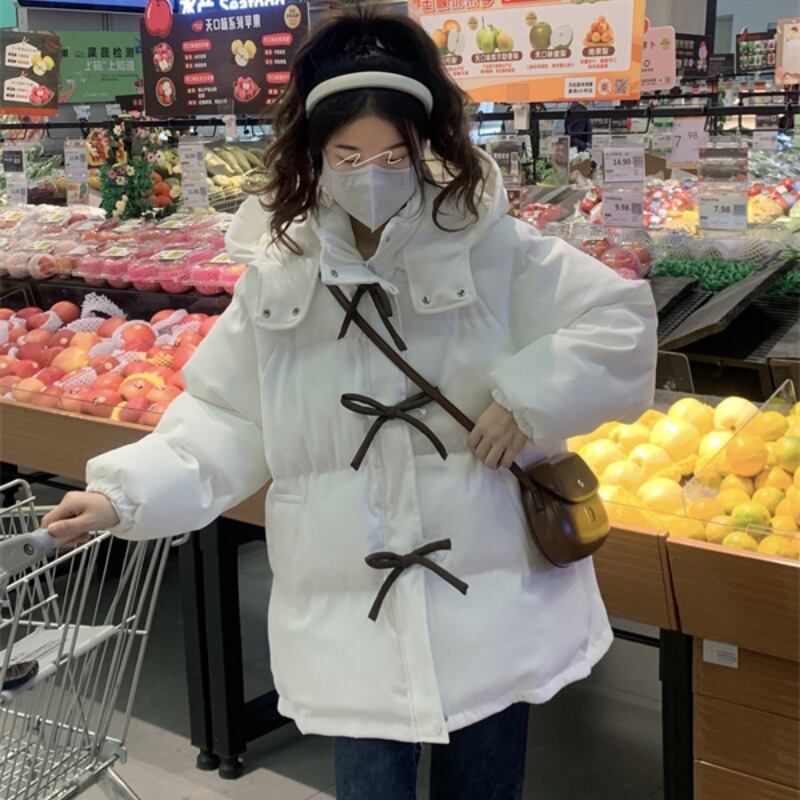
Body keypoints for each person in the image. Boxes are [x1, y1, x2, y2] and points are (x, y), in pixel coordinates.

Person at [43, 9, 657, 799]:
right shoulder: (280, 277)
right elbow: (225, 417)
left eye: (394, 154)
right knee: (368, 783)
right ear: (315, 155)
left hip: (491, 598)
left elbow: (618, 320)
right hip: (352, 612)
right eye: (349, 155)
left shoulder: (487, 245)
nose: (373, 173)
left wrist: (527, 399)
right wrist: (122, 494)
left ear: (425, 143)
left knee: (485, 785)